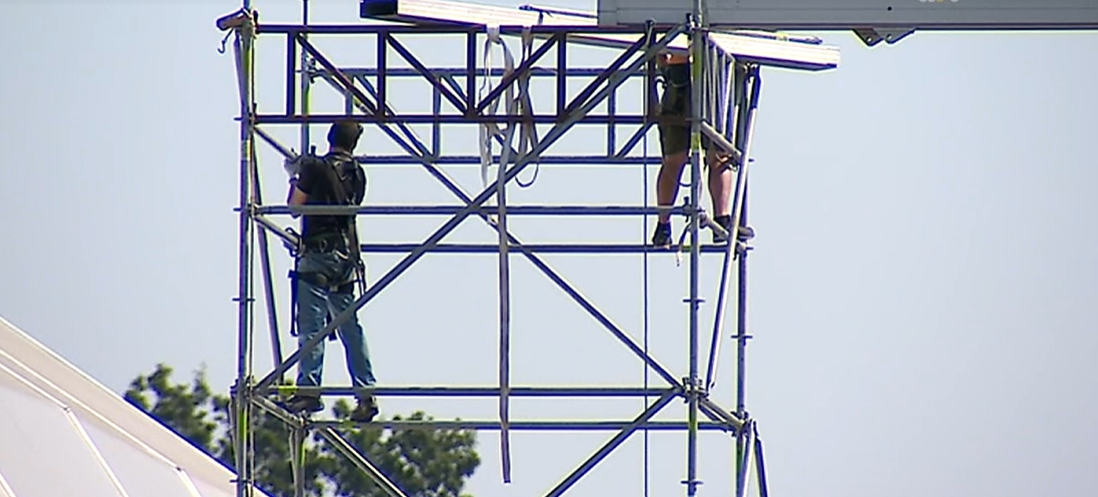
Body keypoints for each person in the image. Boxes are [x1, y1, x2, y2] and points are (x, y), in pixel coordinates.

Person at [281, 119, 379, 423]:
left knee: (313, 326)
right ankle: (366, 393)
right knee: (350, 327)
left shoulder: (315, 168)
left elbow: (296, 206)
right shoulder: (358, 174)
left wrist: (295, 177)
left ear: (330, 138)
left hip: (318, 255)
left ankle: (309, 392)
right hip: (346, 257)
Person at [650, 51, 754, 247]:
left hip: (710, 74)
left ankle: (720, 220)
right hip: (688, 77)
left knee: (719, 155)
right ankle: (664, 226)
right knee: (678, 158)